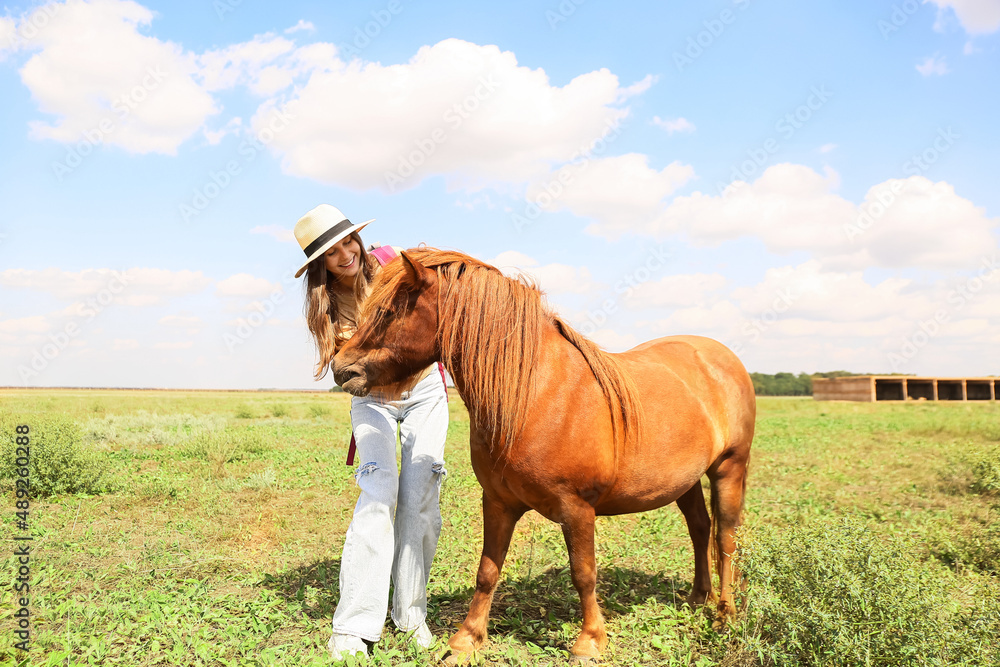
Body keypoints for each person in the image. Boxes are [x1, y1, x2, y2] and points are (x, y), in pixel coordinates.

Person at [293, 204, 449, 659]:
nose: (345, 254)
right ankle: (353, 625)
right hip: (373, 401)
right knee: (378, 495)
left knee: (420, 498)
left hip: (424, 392)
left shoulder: (394, 265)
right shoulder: (325, 308)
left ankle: (411, 612)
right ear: (319, 264)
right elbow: (350, 372)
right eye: (332, 252)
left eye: (348, 241)